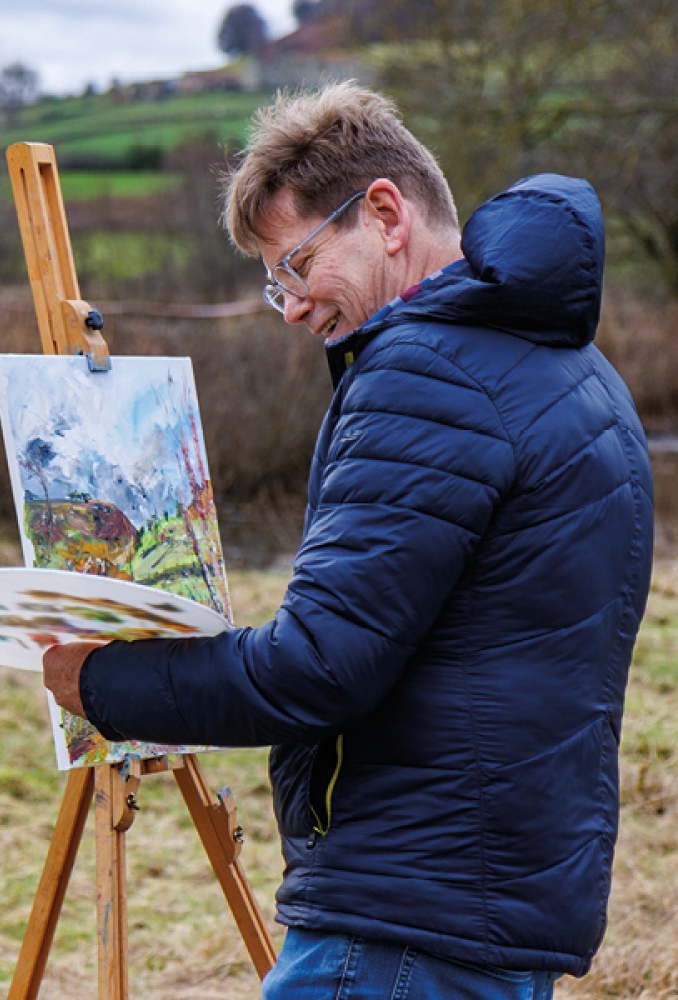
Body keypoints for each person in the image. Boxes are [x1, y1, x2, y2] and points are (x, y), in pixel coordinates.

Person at [43, 81, 654, 998]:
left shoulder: (427, 373)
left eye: (297, 264)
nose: (290, 306)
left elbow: (318, 668)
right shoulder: (571, 368)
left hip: (403, 924)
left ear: (384, 214)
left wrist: (101, 683)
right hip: (494, 905)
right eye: (275, 283)